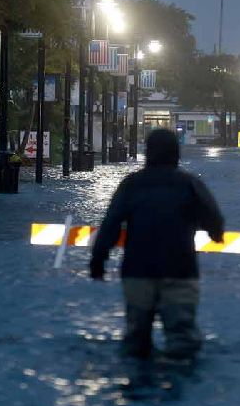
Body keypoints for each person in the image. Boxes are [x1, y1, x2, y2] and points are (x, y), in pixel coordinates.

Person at [90, 129, 225, 360]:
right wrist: (215, 234)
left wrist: (98, 260)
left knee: (136, 340)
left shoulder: (131, 185)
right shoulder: (190, 184)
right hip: (180, 270)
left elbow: (111, 223)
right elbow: (214, 219)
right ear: (177, 154)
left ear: (147, 152)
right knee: (182, 339)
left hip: (137, 271)